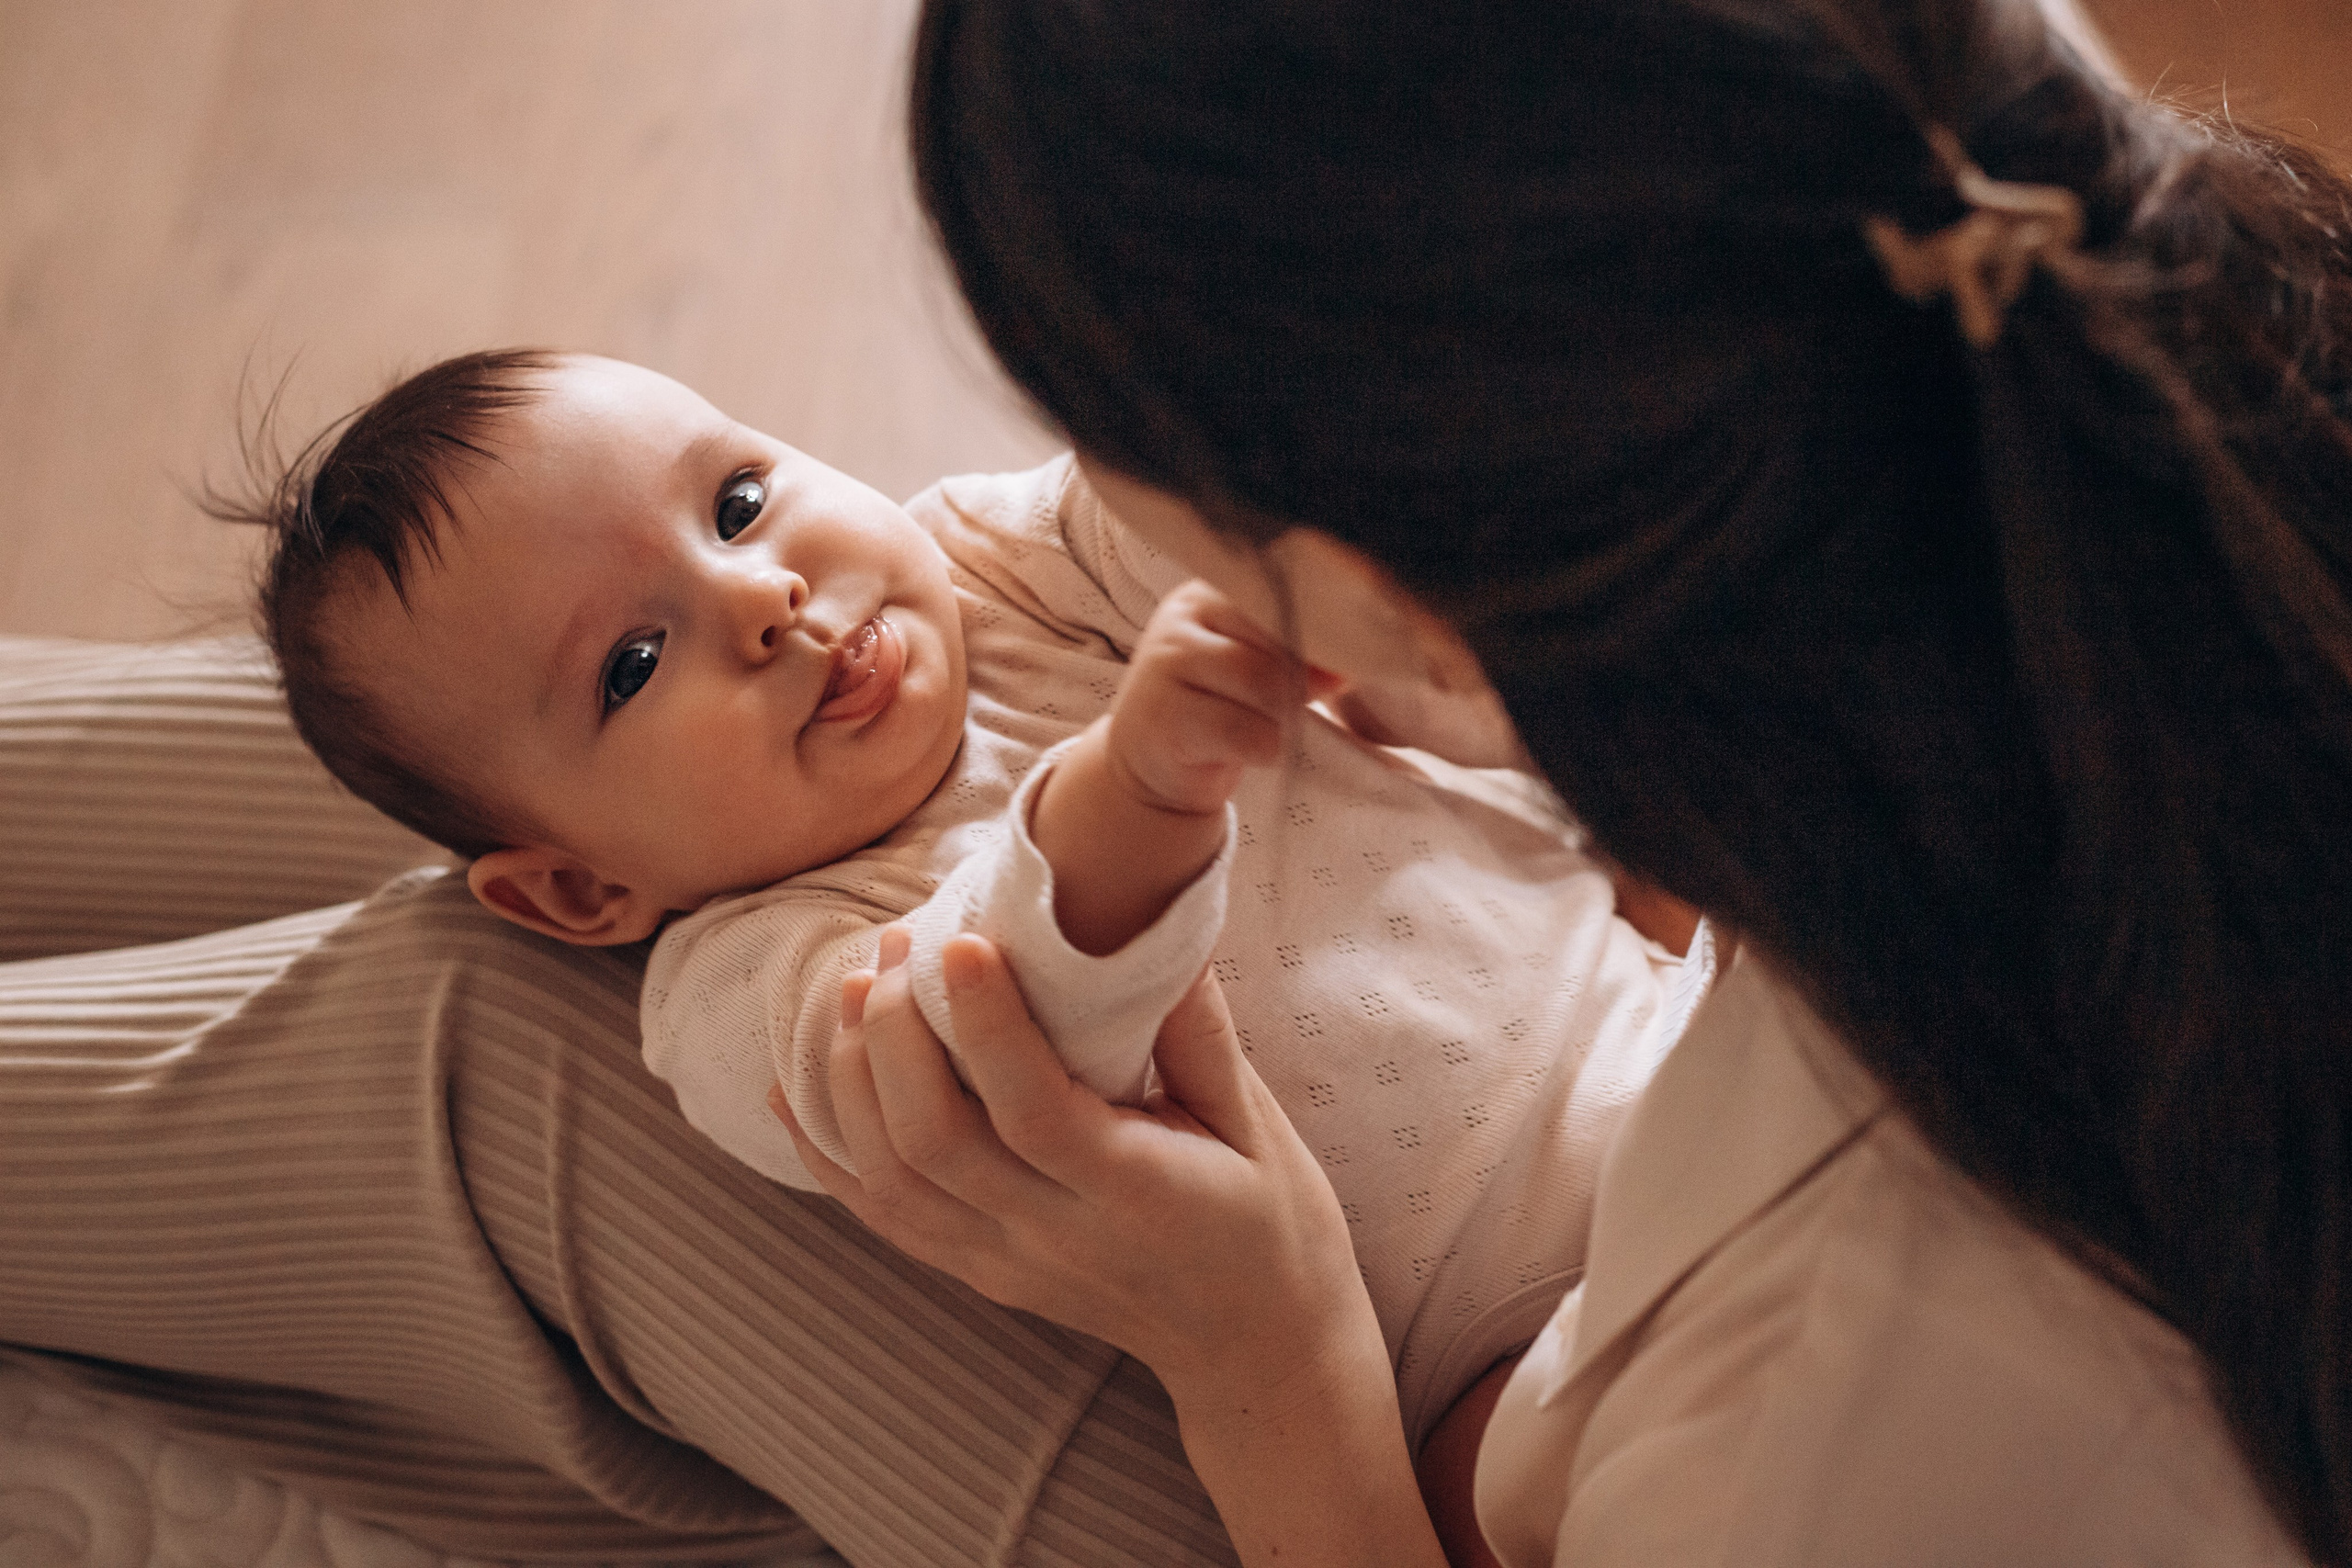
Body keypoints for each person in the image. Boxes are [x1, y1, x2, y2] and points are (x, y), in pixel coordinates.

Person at [772, 0, 2352, 1562]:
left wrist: (1266, 1360)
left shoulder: (1793, 1446)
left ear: (1371, 588)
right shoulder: (2111, 276)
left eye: (1071, 416)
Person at [235, 344, 1692, 1446]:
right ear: (574, 888)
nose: (759, 597)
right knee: (1502, 1500)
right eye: (632, 663)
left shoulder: (992, 563)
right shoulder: (755, 986)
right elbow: (978, 1037)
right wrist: (1136, 794)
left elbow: (1154, 516)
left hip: (1658, 1000)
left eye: (738, 501)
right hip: (1495, 1329)